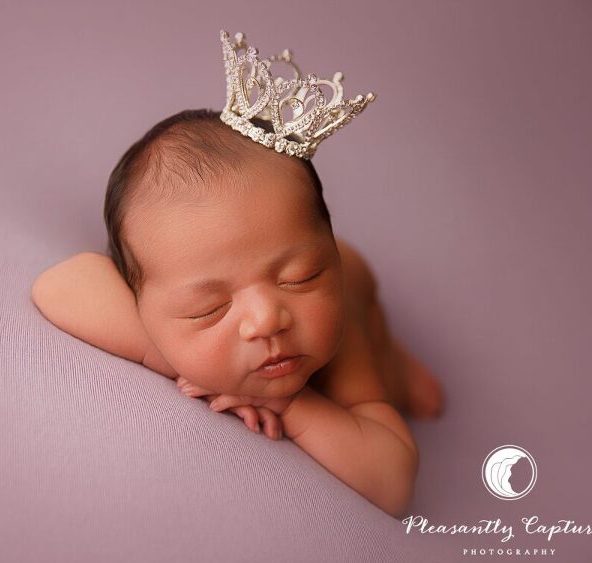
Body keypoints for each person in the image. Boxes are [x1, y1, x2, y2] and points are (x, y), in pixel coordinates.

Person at [31, 31, 444, 518]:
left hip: (358, 291)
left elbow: (393, 483)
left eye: (300, 277)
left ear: (326, 252)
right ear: (145, 303)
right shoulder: (163, 307)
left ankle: (393, 357)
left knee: (395, 384)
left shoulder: (338, 329)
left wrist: (292, 405)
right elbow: (57, 285)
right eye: (209, 308)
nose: (267, 319)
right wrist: (174, 353)